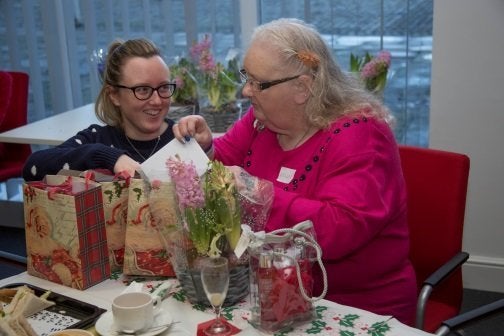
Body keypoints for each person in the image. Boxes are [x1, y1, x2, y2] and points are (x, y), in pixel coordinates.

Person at [173, 18, 417, 325]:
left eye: (258, 83)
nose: (246, 91)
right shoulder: (260, 120)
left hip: (350, 305)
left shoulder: (362, 135)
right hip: (268, 292)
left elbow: (340, 229)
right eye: (246, 76)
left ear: (302, 87)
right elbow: (222, 170)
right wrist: (207, 148)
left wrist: (257, 193)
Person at [23, 38, 177, 181]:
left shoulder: (181, 136)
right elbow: (32, 167)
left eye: (164, 87)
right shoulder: (98, 139)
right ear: (114, 95)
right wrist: (105, 156)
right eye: (143, 89)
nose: (157, 100)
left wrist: (201, 144)